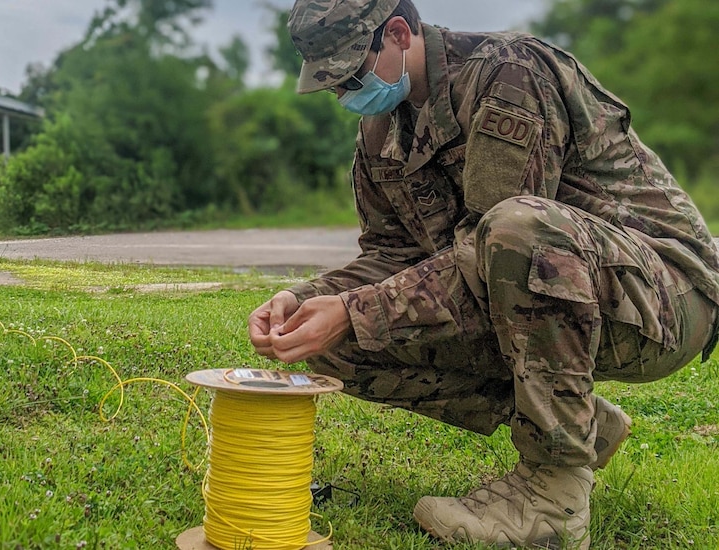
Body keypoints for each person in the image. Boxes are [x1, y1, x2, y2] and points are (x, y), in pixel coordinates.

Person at [248, 0, 719, 547]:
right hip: (545, 293)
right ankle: (580, 420)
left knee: (516, 227)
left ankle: (553, 501)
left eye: (351, 74)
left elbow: (505, 245)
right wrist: (305, 298)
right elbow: (391, 254)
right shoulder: (381, 132)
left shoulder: (506, 73)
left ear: (399, 33)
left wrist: (355, 310)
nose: (345, 95)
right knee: (321, 342)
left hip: (664, 296)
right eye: (331, 84)